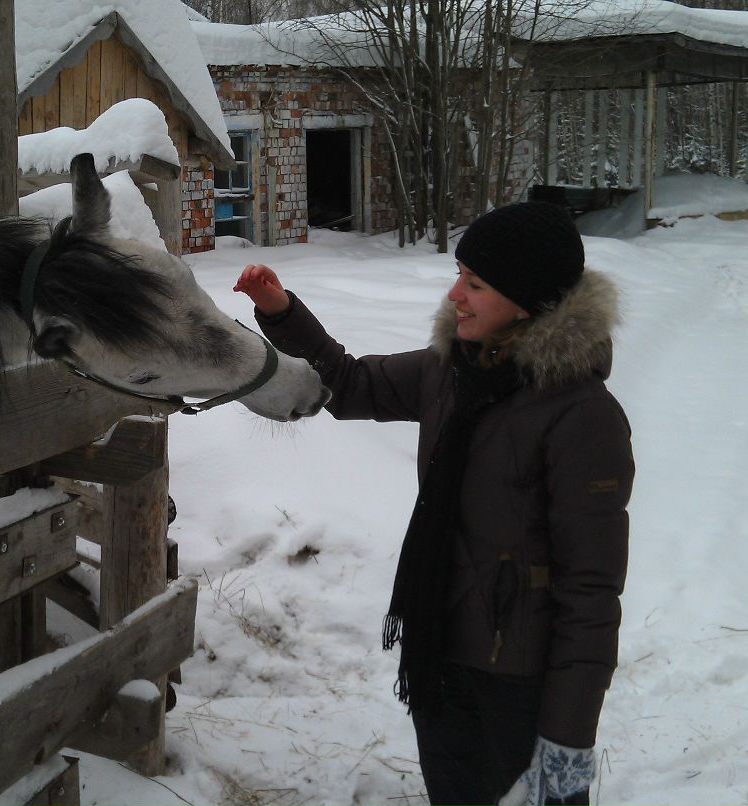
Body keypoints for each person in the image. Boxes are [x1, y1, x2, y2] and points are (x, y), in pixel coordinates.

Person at [233, 202, 634, 805]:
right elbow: (351, 382)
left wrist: (567, 740)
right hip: (440, 649)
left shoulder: (583, 419)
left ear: (526, 301)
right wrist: (282, 314)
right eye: (458, 275)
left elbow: (591, 594)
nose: (455, 295)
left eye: (474, 283)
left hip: (516, 681)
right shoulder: (451, 371)